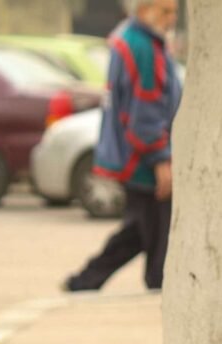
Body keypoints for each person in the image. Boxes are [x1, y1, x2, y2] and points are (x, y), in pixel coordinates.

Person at [61, 0, 181, 293]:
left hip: (136, 153)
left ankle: (86, 280)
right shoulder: (143, 48)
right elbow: (145, 111)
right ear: (144, 10)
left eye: (174, 13)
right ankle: (155, 285)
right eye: (164, 12)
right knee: (154, 229)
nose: (170, 20)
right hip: (142, 157)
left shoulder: (132, 39)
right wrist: (161, 159)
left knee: (142, 230)